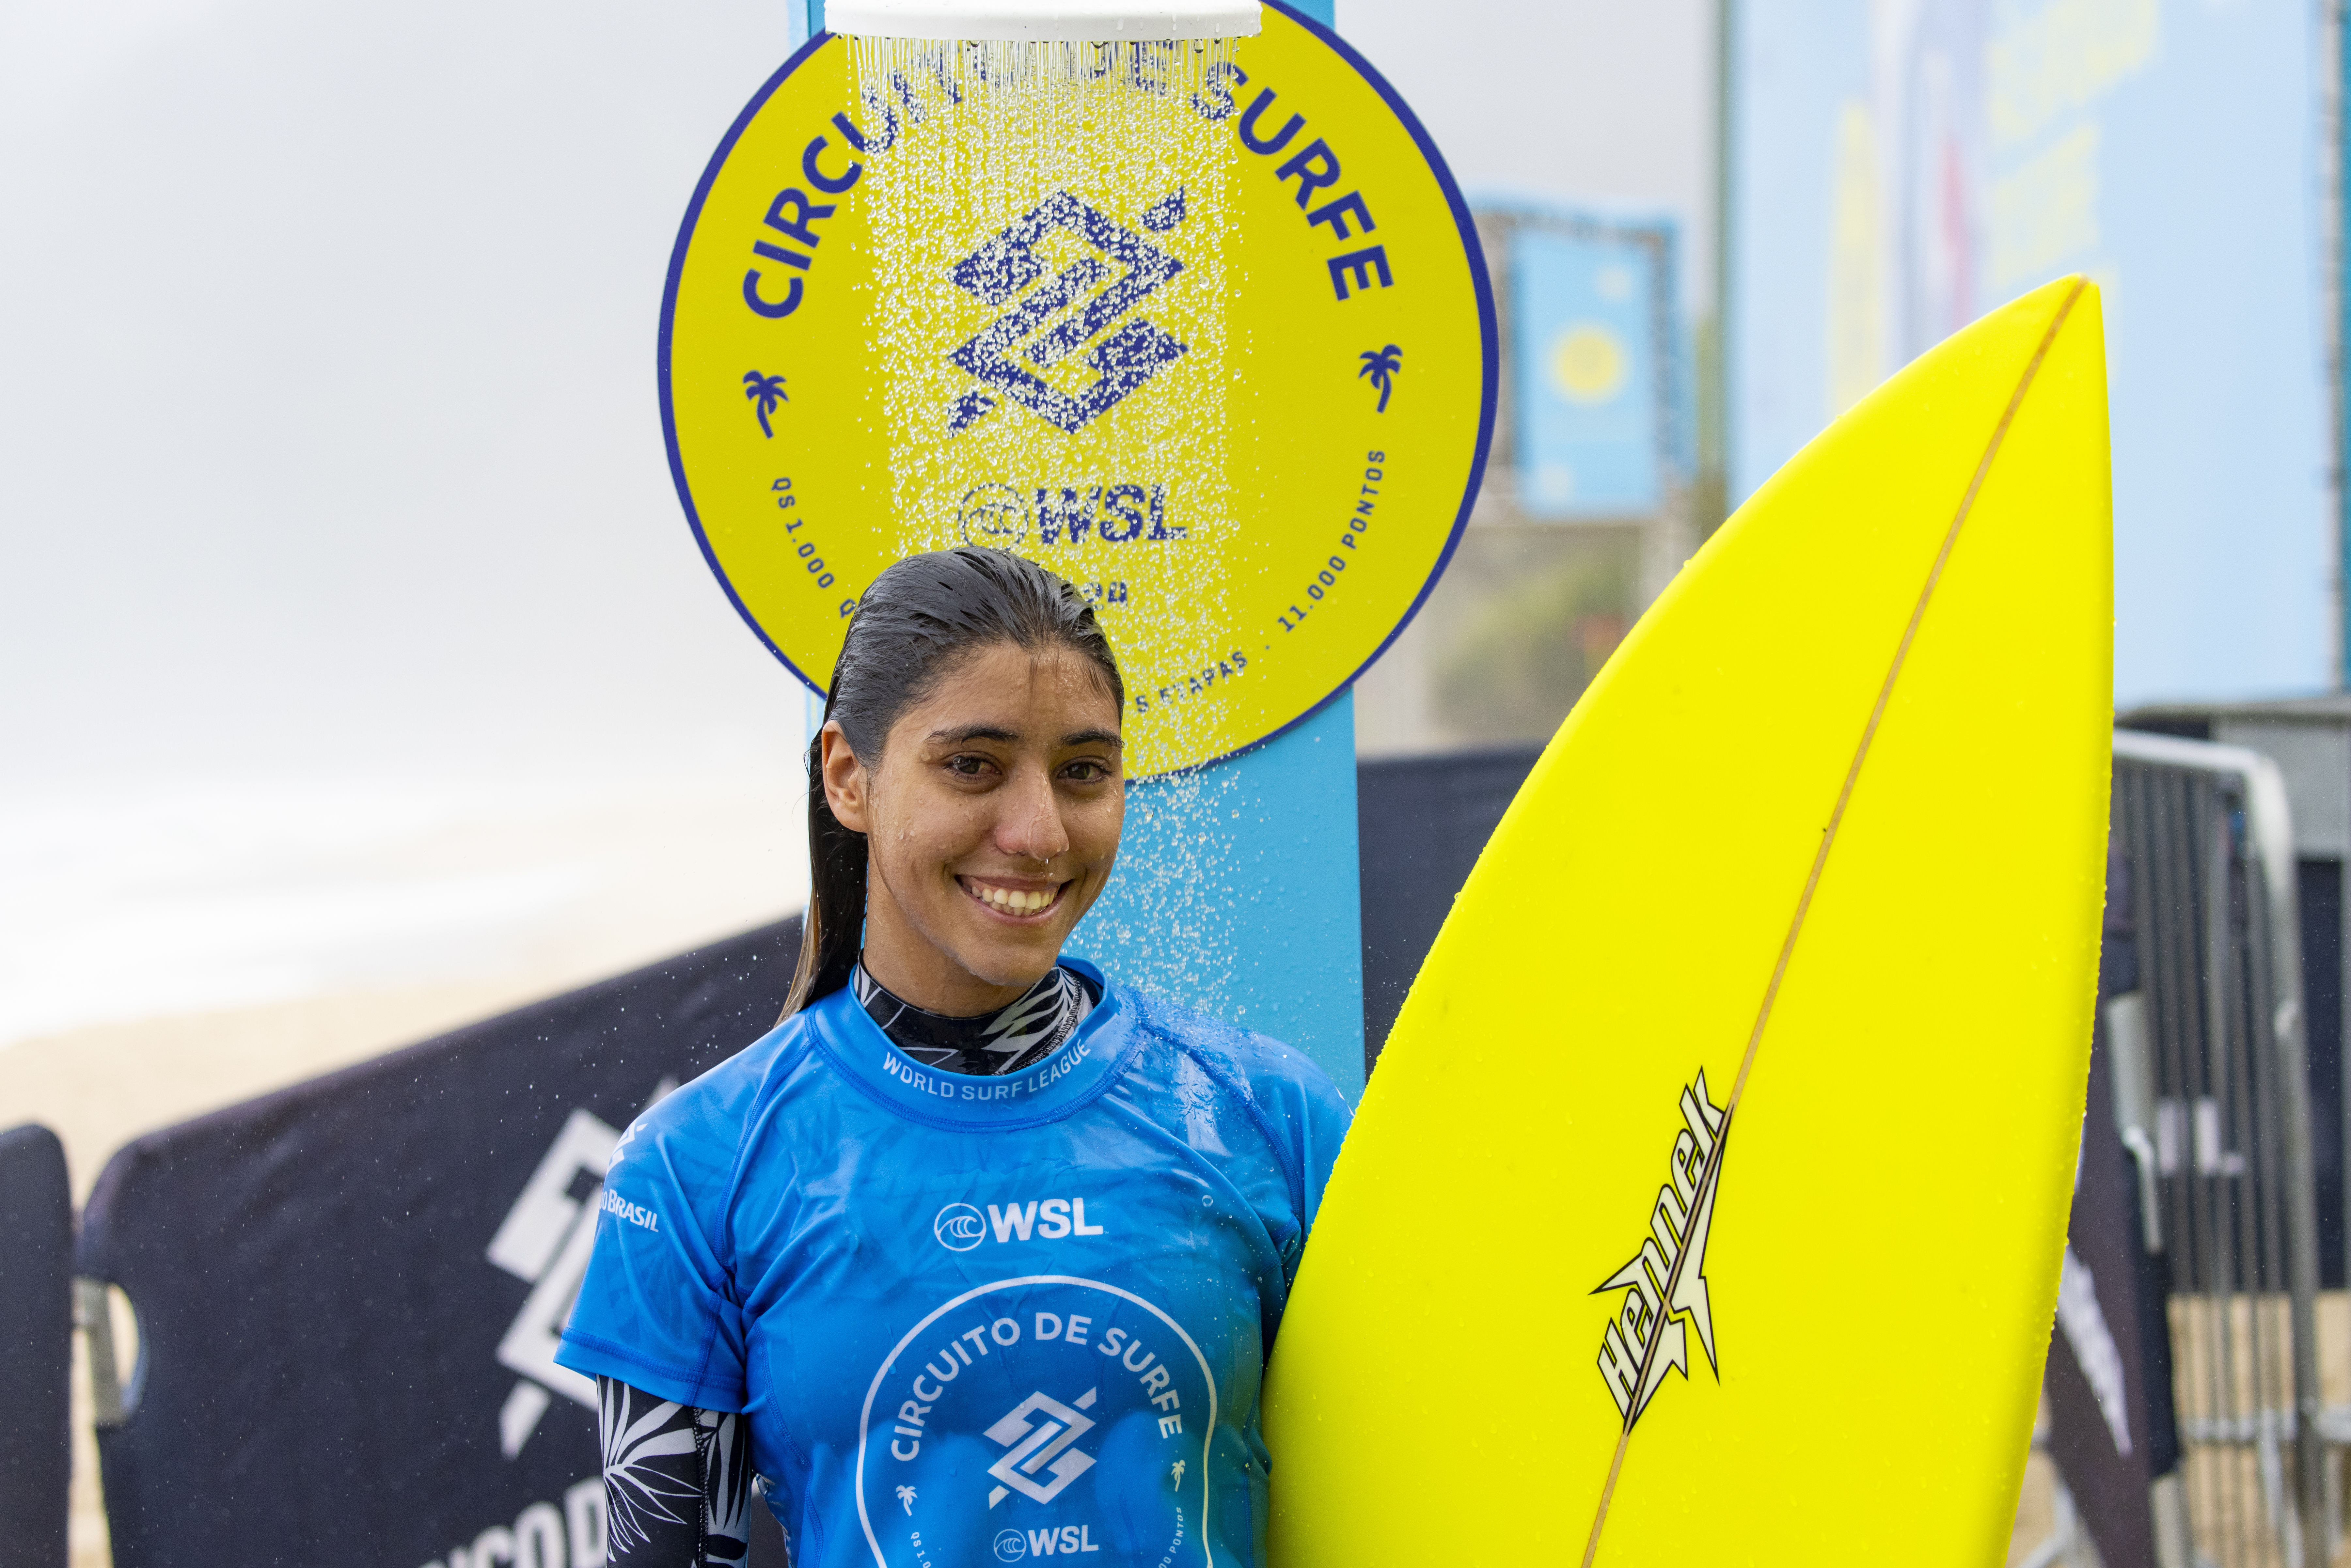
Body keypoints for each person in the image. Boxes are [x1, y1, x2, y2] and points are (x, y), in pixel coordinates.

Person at [556, 548, 1353, 1568]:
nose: (1038, 830)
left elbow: (1410, 1497)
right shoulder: (695, 1168)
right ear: (849, 775)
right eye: (972, 765)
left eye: (1084, 771)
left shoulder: (1265, 1112)